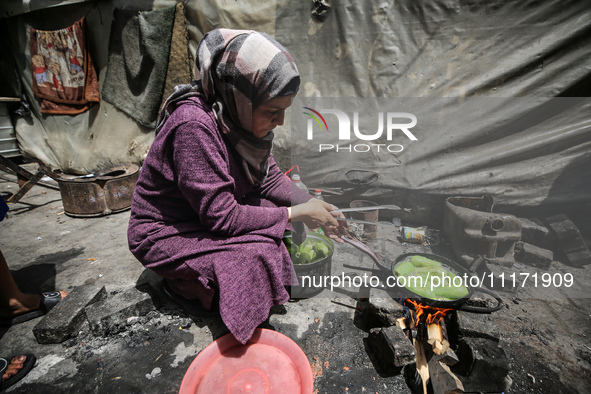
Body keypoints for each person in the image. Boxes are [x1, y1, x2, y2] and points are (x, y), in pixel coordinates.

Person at [127, 28, 348, 344]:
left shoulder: (235, 120)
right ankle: (186, 286)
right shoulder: (194, 126)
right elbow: (222, 218)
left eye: (284, 111)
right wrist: (297, 213)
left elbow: (269, 178)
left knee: (275, 220)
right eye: (273, 112)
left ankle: (218, 280)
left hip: (202, 214)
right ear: (241, 96)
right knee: (256, 251)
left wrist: (313, 204)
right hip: (166, 232)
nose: (280, 122)